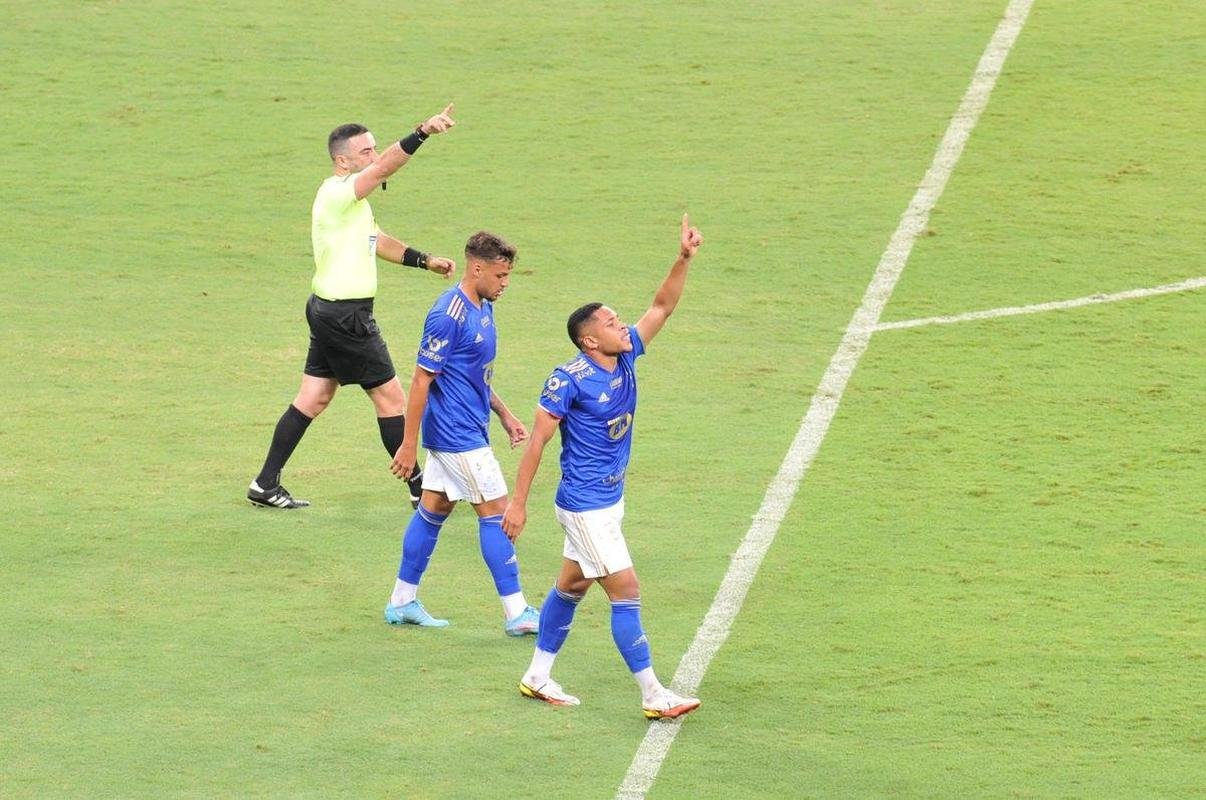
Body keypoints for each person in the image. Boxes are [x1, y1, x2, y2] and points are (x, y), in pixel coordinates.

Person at [502, 215, 704, 720]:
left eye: (618, 321)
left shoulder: (627, 354)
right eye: (611, 324)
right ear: (589, 341)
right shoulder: (567, 380)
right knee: (627, 590)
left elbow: (661, 306)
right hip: (585, 504)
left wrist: (682, 259)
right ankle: (655, 695)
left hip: (609, 500)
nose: (622, 326)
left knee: (570, 587)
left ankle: (536, 676)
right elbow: (537, 443)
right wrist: (518, 504)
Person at [247, 106, 458, 510]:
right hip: (346, 317)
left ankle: (265, 483)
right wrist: (422, 132)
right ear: (342, 161)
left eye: (375, 148)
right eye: (365, 152)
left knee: (313, 397)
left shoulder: (353, 204)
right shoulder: (337, 192)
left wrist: (423, 259)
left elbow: (376, 240)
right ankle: (421, 491)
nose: (374, 157)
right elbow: (381, 173)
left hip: (329, 310)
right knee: (392, 401)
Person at [384, 232, 540, 636]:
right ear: (476, 268)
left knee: (434, 509)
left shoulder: (483, 307)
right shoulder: (448, 314)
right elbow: (421, 380)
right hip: (457, 435)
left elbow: (473, 375)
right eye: (500, 275)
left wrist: (504, 414)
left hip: (468, 427)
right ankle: (517, 612)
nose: (505, 283)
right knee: (497, 513)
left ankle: (402, 601)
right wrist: (407, 443)